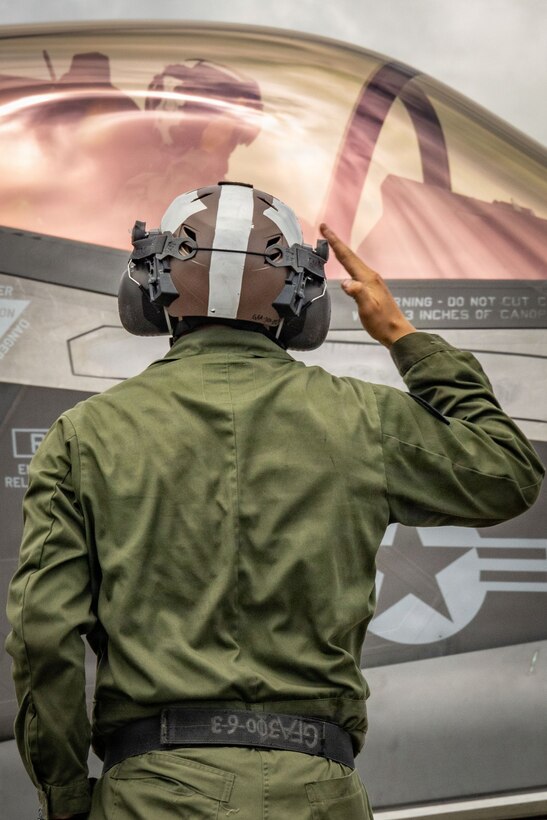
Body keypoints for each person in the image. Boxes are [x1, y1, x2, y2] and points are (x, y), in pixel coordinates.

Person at [6, 182, 544, 820]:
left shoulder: (82, 437)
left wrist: (68, 803)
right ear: (299, 300)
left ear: (152, 287)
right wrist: (401, 334)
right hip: (319, 791)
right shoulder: (363, 421)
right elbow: (508, 471)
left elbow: (45, 637)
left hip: (152, 794)